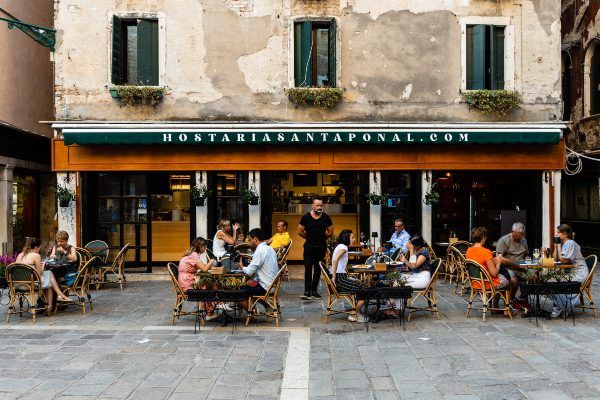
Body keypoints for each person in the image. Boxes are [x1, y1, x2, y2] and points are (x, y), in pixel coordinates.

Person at [15, 237, 72, 306]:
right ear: (36, 247)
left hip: (18, 284)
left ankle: (58, 296)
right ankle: (54, 301)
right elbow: (39, 273)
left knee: (48, 274)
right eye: (39, 248)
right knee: (49, 276)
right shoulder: (36, 255)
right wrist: (43, 264)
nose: (39, 250)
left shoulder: (20, 255)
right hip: (31, 284)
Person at [466, 227, 512, 307]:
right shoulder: (486, 252)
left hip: (475, 282)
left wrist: (492, 261)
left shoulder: (469, 250)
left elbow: (479, 263)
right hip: (487, 283)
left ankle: (494, 305)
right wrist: (498, 263)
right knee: (507, 279)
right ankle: (505, 309)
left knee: (502, 276)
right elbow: (494, 273)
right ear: (483, 237)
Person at [550, 224, 588, 318]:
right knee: (551, 281)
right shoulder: (564, 243)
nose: (556, 234)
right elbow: (555, 258)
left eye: (558, 232)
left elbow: (564, 260)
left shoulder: (570, 243)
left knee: (553, 282)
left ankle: (563, 307)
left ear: (565, 234)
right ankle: (563, 307)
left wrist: (558, 245)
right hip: (571, 272)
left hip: (579, 273)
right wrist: (556, 245)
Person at [298, 197, 333, 300]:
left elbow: (330, 232)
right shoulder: (306, 217)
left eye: (321, 205)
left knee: (318, 269)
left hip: (321, 246)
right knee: (308, 268)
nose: (319, 207)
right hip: (309, 246)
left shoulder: (326, 217)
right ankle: (307, 291)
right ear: (312, 206)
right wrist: (309, 238)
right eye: (317, 205)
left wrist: (322, 238)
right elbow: (300, 231)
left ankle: (314, 290)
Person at [330, 229, 366, 323]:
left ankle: (356, 311)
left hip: (341, 277)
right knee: (366, 289)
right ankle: (354, 314)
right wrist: (333, 277)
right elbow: (335, 260)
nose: (354, 240)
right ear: (346, 239)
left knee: (361, 284)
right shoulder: (344, 247)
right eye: (352, 237)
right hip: (339, 278)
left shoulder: (340, 246)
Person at [239, 228, 279, 311]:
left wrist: (242, 267)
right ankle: (265, 304)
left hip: (265, 286)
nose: (249, 242)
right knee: (248, 283)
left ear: (255, 239)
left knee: (237, 292)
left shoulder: (260, 250)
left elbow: (249, 271)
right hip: (271, 284)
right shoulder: (269, 249)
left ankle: (252, 313)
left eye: (250, 239)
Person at [178, 237, 218, 320]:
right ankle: (210, 312)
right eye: (204, 247)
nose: (205, 249)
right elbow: (204, 269)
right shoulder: (194, 255)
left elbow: (202, 267)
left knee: (210, 283)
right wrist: (211, 261)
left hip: (186, 279)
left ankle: (210, 310)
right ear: (200, 247)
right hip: (187, 282)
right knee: (210, 286)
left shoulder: (192, 254)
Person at [496, 222, 529, 306]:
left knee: (533, 277)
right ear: (512, 232)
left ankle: (523, 298)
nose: (518, 238)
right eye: (516, 236)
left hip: (521, 268)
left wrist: (527, 260)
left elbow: (526, 255)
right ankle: (511, 299)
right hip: (508, 267)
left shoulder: (524, 240)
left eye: (521, 236)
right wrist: (514, 263)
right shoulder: (504, 240)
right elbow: (499, 259)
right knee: (514, 280)